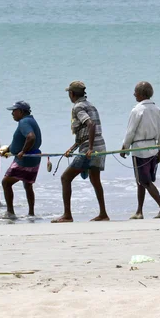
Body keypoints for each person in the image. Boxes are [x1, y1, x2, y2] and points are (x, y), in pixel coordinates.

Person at [52, 81, 109, 223]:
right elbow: (84, 131)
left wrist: (89, 148)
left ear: (72, 94)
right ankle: (103, 214)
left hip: (91, 149)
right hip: (100, 146)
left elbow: (90, 124)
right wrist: (72, 148)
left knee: (65, 178)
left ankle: (67, 215)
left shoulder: (78, 107)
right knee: (95, 180)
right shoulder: (90, 105)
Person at [121, 81, 160, 220]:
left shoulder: (137, 110)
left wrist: (124, 147)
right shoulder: (158, 110)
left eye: (135, 92)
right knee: (140, 180)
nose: (134, 94)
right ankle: (139, 211)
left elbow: (130, 131)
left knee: (145, 181)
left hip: (140, 149)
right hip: (153, 147)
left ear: (141, 94)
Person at [0, 101, 42, 218]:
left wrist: (23, 151)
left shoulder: (24, 122)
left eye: (14, 111)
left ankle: (10, 213)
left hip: (25, 159)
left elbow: (31, 137)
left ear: (21, 111)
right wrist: (8, 149)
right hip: (34, 158)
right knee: (28, 185)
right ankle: (31, 213)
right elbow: (20, 140)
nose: (12, 113)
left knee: (6, 182)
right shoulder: (30, 120)